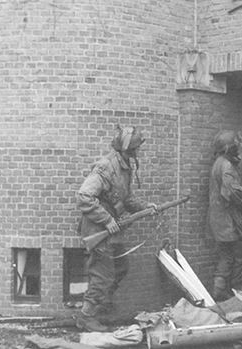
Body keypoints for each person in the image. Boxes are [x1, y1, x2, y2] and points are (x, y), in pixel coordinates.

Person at [75, 125, 157, 331]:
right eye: (135, 148)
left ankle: (100, 306)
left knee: (121, 267)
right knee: (101, 274)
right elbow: (84, 196)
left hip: (112, 230)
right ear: (126, 148)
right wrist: (106, 220)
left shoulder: (125, 166)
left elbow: (126, 198)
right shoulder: (106, 167)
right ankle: (86, 315)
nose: (138, 152)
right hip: (98, 229)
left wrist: (146, 207)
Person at [208, 130, 242, 301]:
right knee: (241, 255)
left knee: (226, 255)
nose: (237, 149)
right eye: (235, 146)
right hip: (228, 220)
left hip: (219, 219)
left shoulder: (219, 163)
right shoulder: (226, 166)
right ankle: (235, 293)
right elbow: (233, 194)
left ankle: (219, 291)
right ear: (228, 148)